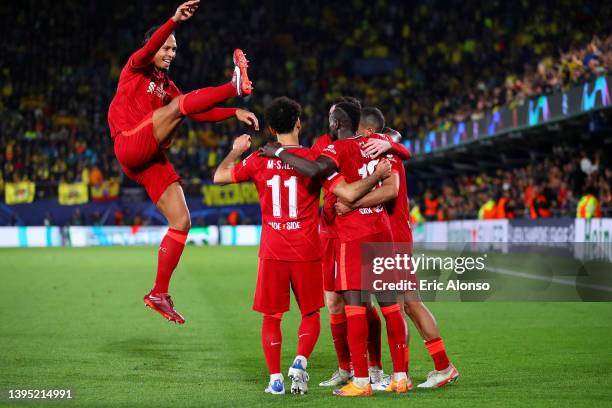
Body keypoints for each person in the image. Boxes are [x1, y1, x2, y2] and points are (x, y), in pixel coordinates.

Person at [213, 97, 390, 395]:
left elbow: (219, 177)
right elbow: (346, 192)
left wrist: (234, 152)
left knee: (272, 317)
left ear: (270, 128)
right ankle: (299, 361)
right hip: (307, 249)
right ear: (299, 123)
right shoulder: (312, 160)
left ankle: (275, 380)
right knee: (310, 314)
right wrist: (377, 175)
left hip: (272, 250)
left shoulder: (258, 159)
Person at [107, 1, 259, 324]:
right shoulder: (135, 67)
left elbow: (196, 110)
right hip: (129, 143)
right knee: (177, 107)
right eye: (166, 47)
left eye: (174, 49)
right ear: (152, 48)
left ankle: (159, 292)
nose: (170, 53)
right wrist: (174, 19)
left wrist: (233, 112)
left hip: (148, 158)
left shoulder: (166, 86)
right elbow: (154, 54)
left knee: (182, 221)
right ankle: (232, 86)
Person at [261, 101, 408, 397]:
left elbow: (315, 169)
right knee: (391, 306)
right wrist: (387, 153)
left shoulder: (336, 150)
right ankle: (401, 377)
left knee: (355, 307)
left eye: (331, 119)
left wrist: (277, 151)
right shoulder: (380, 142)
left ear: (337, 123)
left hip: (353, 235)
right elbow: (403, 150)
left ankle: (362, 381)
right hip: (382, 230)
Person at [334, 107, 459, 389]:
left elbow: (390, 189)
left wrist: (353, 203)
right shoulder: (386, 153)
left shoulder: (387, 156)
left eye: (359, 133)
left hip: (394, 238)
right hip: (389, 236)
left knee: (407, 305)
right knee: (402, 306)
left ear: (369, 133)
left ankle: (438, 367)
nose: (355, 138)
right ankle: (409, 371)